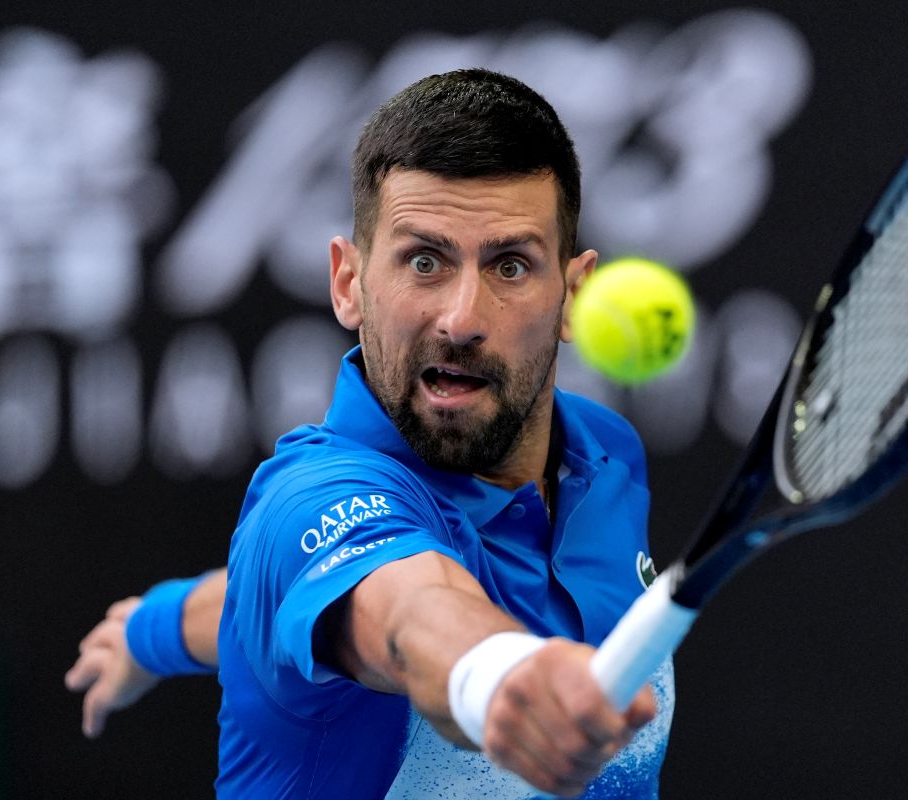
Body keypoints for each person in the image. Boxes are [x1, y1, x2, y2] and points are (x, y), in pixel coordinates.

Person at [65, 68, 673, 799]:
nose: (461, 319)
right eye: (424, 260)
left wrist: (151, 630)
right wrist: (496, 675)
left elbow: (270, 595)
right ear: (348, 283)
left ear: (571, 295)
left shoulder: (605, 456)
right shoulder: (311, 498)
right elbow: (406, 610)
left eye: (510, 265)